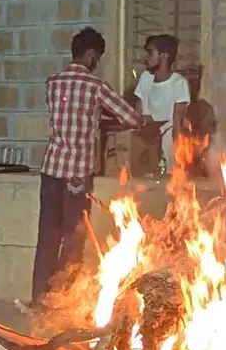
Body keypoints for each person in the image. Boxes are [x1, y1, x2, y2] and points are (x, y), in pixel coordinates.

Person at [32, 26, 148, 303]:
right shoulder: (95, 86)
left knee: (48, 235)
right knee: (74, 238)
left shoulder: (53, 83)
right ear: (91, 55)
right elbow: (131, 118)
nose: (97, 63)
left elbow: (65, 114)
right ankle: (61, 300)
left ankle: (38, 298)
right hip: (77, 172)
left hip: (51, 169)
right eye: (97, 57)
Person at [128, 34, 189, 173]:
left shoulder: (179, 83)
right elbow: (140, 114)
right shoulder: (145, 78)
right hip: (146, 149)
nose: (145, 58)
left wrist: (179, 159)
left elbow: (178, 124)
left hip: (168, 153)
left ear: (164, 57)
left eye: (150, 53)